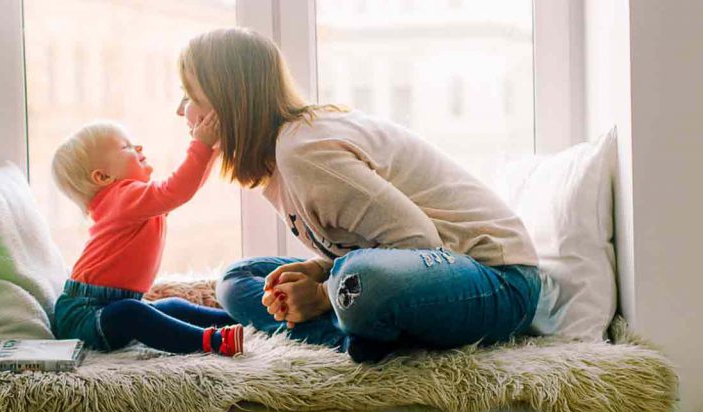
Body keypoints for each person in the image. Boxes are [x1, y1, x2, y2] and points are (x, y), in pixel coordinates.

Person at [177, 27, 549, 363]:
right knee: (237, 279)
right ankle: (358, 337)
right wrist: (319, 269)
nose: (181, 110)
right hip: (426, 272)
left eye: (190, 96)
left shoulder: (304, 152)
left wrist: (322, 293)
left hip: (498, 281)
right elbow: (375, 245)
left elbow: (420, 242)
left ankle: (353, 328)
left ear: (228, 103)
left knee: (356, 282)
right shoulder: (278, 160)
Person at [50, 119, 244, 356]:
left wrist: (212, 151)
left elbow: (184, 190)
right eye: (126, 147)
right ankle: (212, 341)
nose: (138, 147)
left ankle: (239, 320)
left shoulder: (133, 202)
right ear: (102, 177)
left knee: (171, 306)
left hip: (110, 305)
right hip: (84, 315)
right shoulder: (122, 198)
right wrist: (201, 145)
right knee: (131, 313)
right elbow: (177, 190)